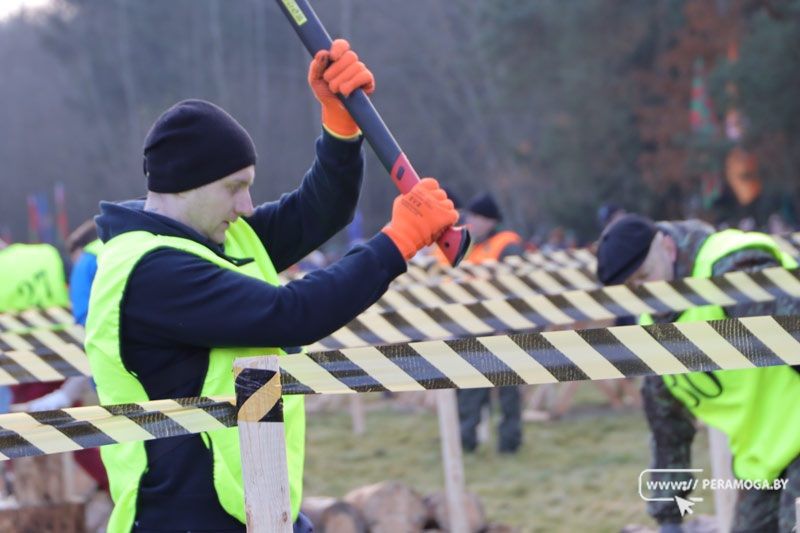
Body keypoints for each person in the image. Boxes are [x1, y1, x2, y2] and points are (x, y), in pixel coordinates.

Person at [84, 39, 458, 533]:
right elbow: (291, 313)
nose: (246, 206)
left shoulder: (212, 237)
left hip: (253, 506)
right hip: (183, 519)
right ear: (185, 185)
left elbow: (316, 213)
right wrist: (398, 242)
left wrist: (340, 129)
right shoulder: (152, 271)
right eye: (235, 187)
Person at [596, 214, 800, 533]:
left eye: (646, 276)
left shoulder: (732, 268)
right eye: (631, 291)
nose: (644, 294)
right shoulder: (653, 329)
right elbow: (668, 430)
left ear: (668, 247)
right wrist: (669, 518)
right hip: (763, 461)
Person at [457, 191, 524, 453]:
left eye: (477, 217)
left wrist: (504, 324)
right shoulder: (467, 246)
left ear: (490, 220)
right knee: (470, 390)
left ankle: (509, 443)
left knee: (507, 390)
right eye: (470, 216)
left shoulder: (507, 244)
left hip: (502, 328)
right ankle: (466, 442)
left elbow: (514, 287)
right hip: (471, 328)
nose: (471, 221)